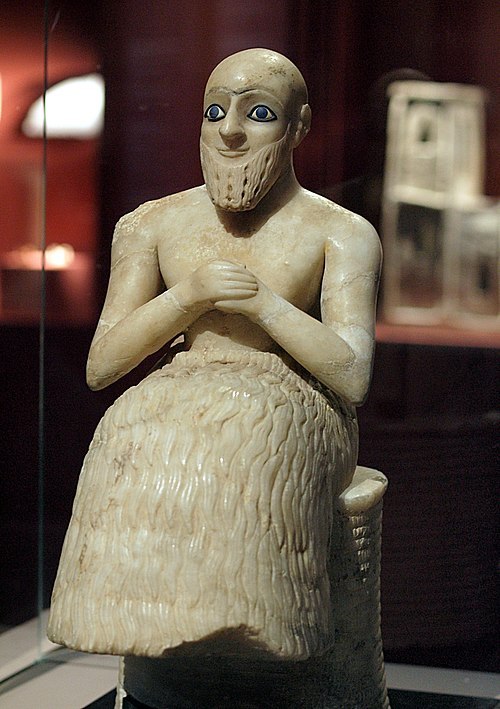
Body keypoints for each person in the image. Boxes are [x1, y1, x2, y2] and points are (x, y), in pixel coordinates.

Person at [48, 49, 381, 667]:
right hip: (180, 390)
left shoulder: (340, 231)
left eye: (259, 113)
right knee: (127, 429)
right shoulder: (151, 224)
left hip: (295, 402)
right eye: (215, 111)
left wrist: (265, 306)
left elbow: (352, 376)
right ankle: (140, 627)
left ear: (299, 126)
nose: (230, 131)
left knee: (247, 442)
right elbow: (103, 365)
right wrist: (187, 297)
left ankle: (252, 635)